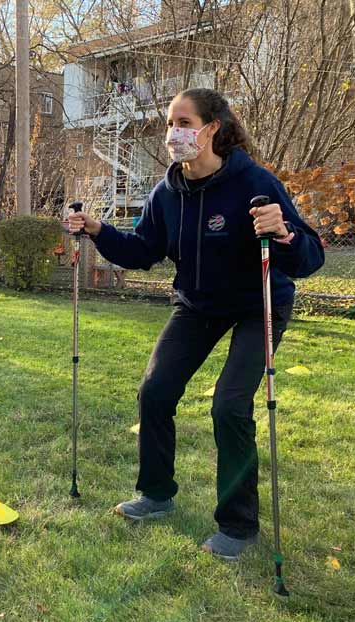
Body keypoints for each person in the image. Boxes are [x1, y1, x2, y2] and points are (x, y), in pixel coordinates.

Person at [66, 88, 324, 560]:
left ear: (212, 129)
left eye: (183, 123)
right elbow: (142, 251)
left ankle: (238, 526)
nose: (173, 133)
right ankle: (156, 494)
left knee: (229, 406)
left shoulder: (255, 183)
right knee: (155, 390)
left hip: (259, 304)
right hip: (198, 305)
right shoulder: (167, 193)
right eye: (170, 123)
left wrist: (284, 232)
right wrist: (98, 230)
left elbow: (310, 259)